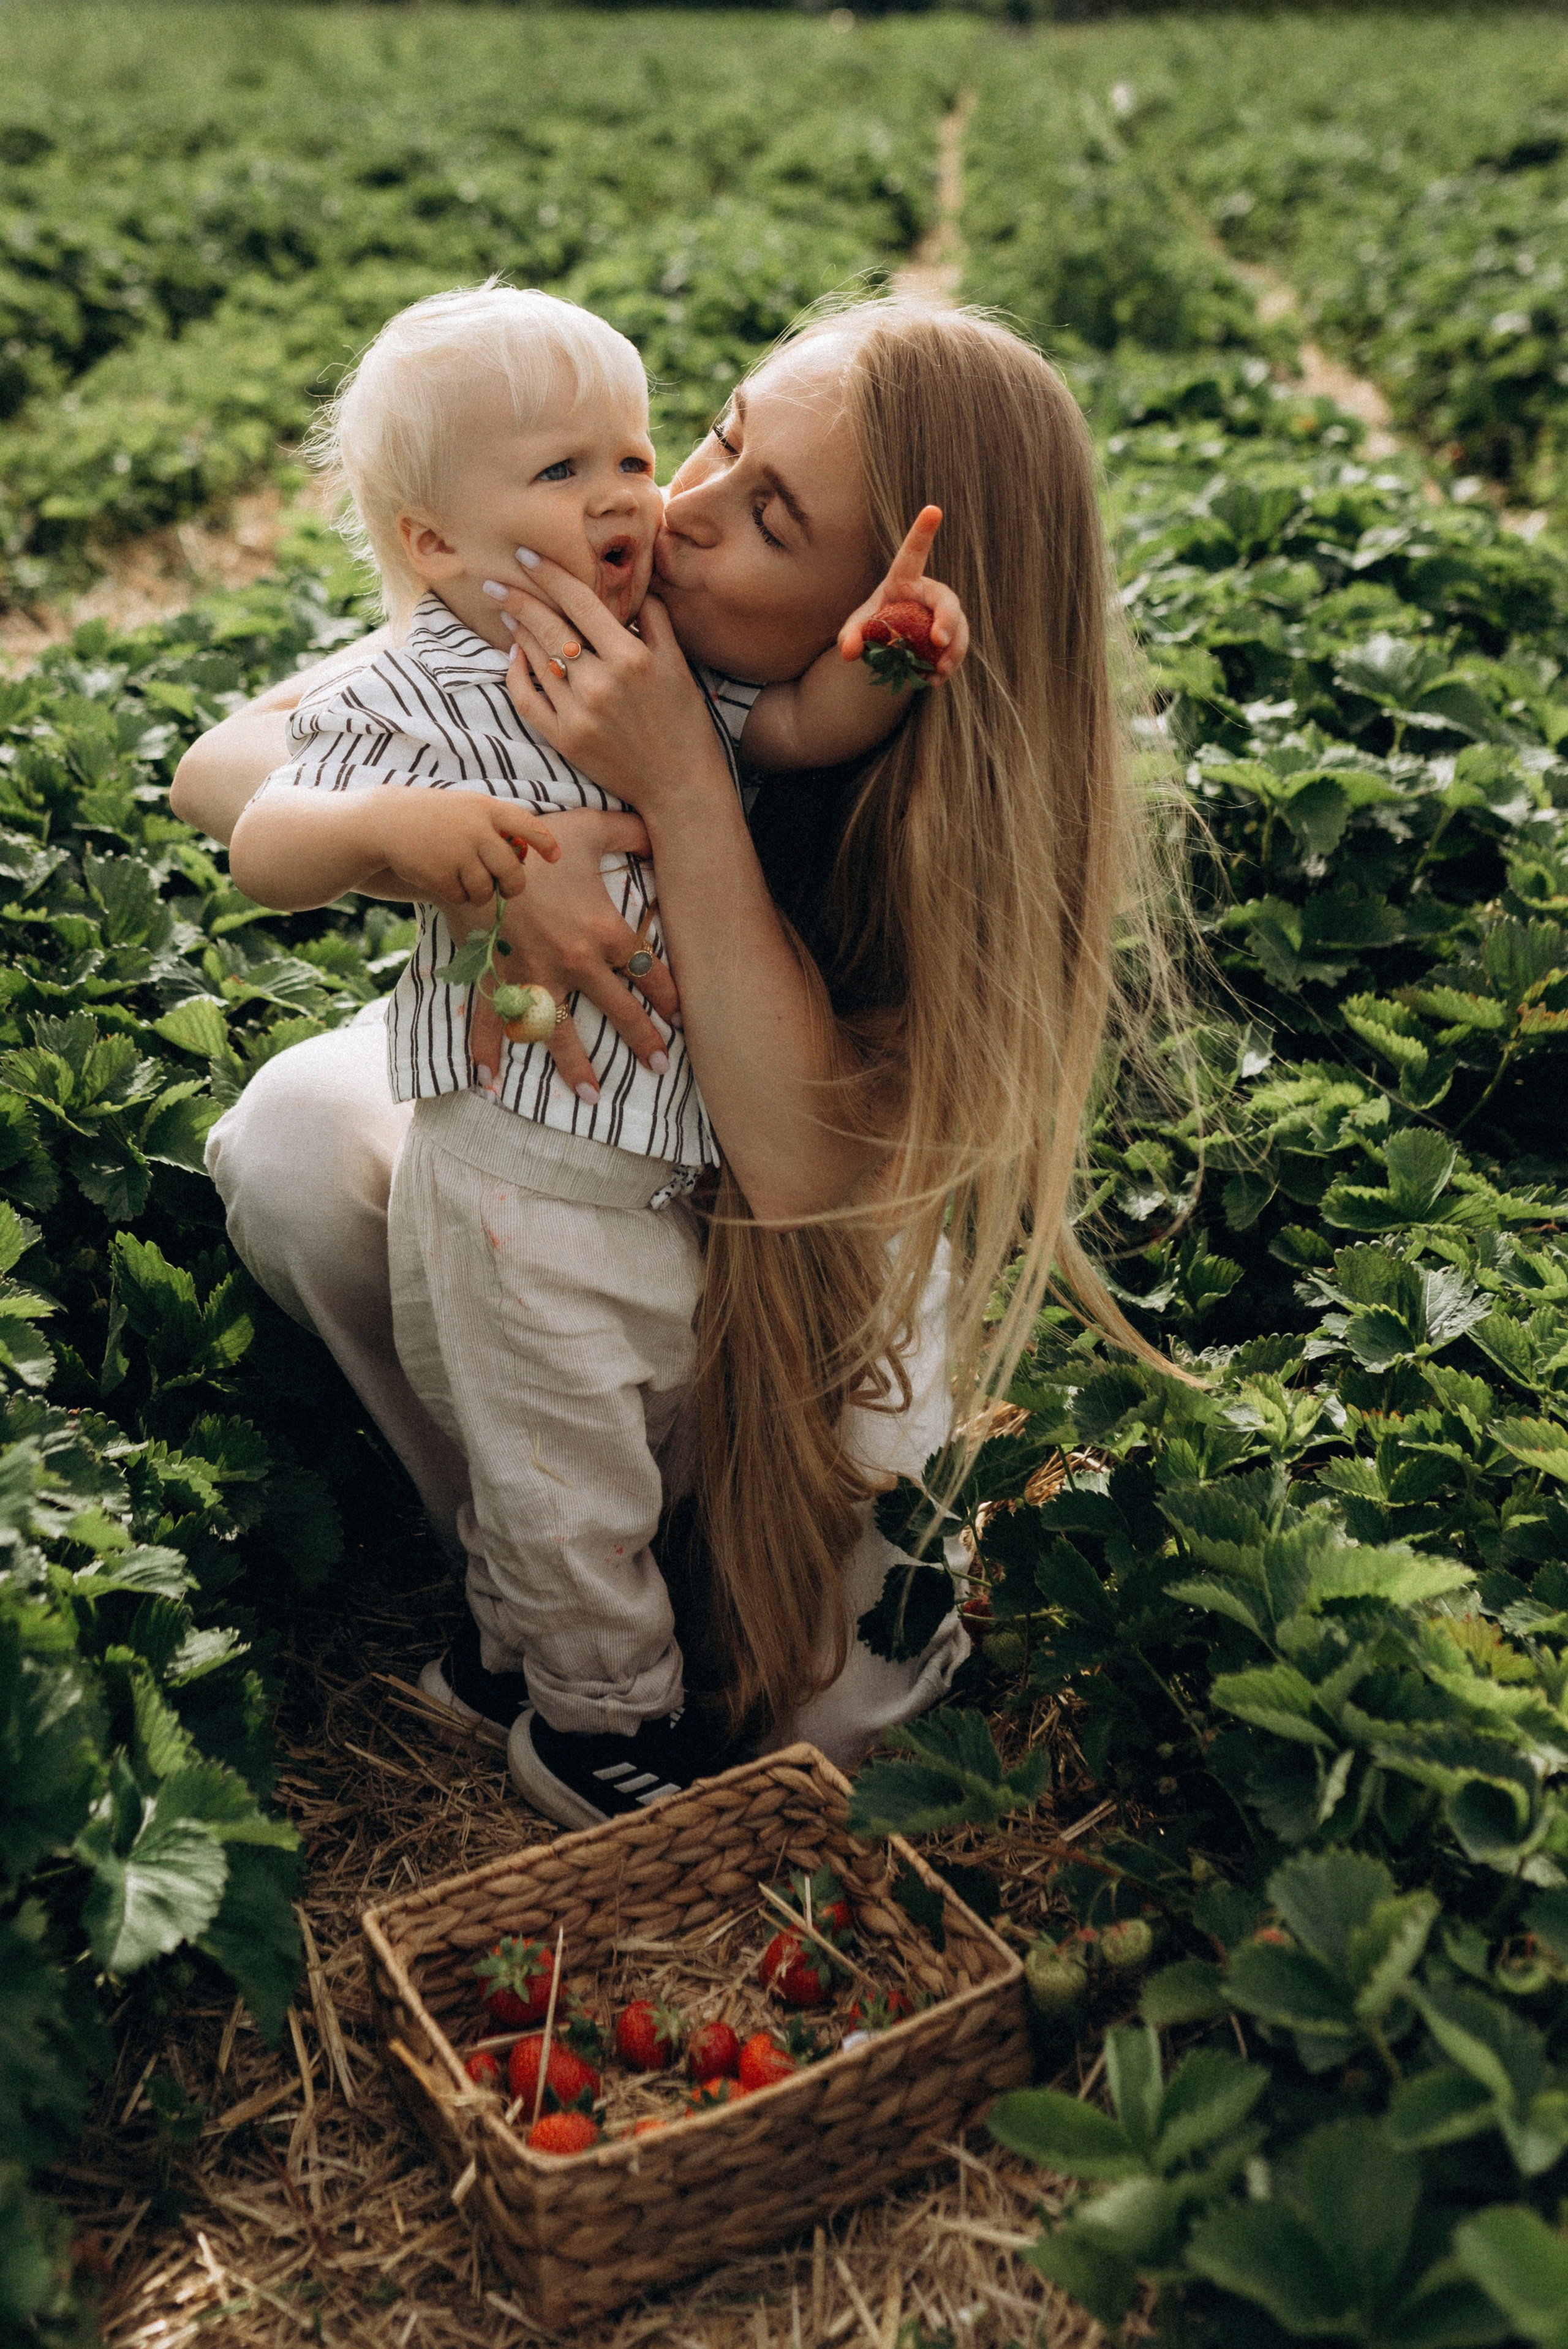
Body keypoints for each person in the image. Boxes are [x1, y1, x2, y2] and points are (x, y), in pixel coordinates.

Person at [174, 294, 1178, 1811]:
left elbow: (800, 1170)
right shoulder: (583, 617)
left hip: (791, 1269)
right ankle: (541, 1609)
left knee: (834, 1729)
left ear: (874, 598)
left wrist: (681, 783)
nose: (676, 507)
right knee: (304, 1145)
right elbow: (229, 767)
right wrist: (489, 856)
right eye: (714, 436)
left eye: (765, 512)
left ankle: (639, 1569)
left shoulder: (904, 800)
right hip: (554, 1149)